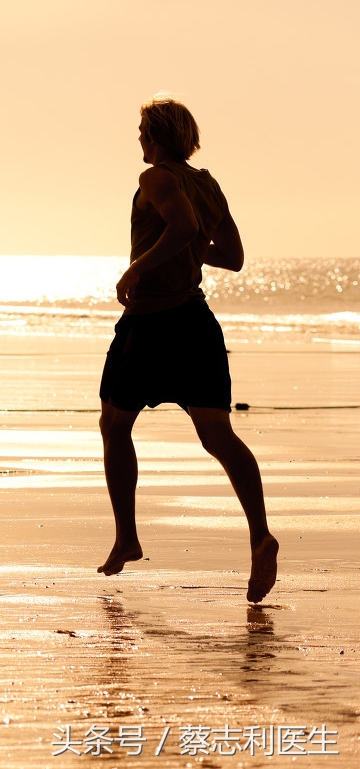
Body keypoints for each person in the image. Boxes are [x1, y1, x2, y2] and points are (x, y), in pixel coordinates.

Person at [98, 97, 278, 603]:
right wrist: (191, 249)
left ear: (156, 136)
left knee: (114, 423)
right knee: (218, 435)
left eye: (142, 130)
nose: (139, 138)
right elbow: (233, 256)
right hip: (196, 325)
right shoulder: (208, 183)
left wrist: (136, 268)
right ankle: (260, 534)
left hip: (150, 325)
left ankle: (127, 537)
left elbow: (183, 228)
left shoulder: (155, 178)